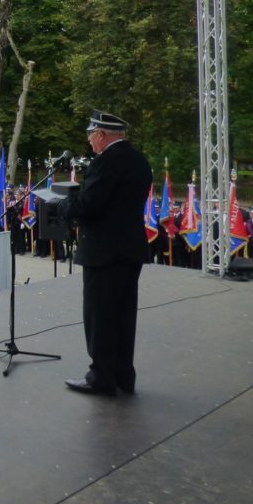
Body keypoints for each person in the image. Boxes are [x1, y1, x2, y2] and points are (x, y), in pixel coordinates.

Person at [56, 110, 152, 397]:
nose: (89, 140)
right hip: (130, 250)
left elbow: (89, 206)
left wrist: (63, 205)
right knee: (123, 316)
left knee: (99, 317)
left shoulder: (106, 162)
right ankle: (123, 375)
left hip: (104, 252)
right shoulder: (139, 160)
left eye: (90, 134)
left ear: (101, 134)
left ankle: (101, 377)